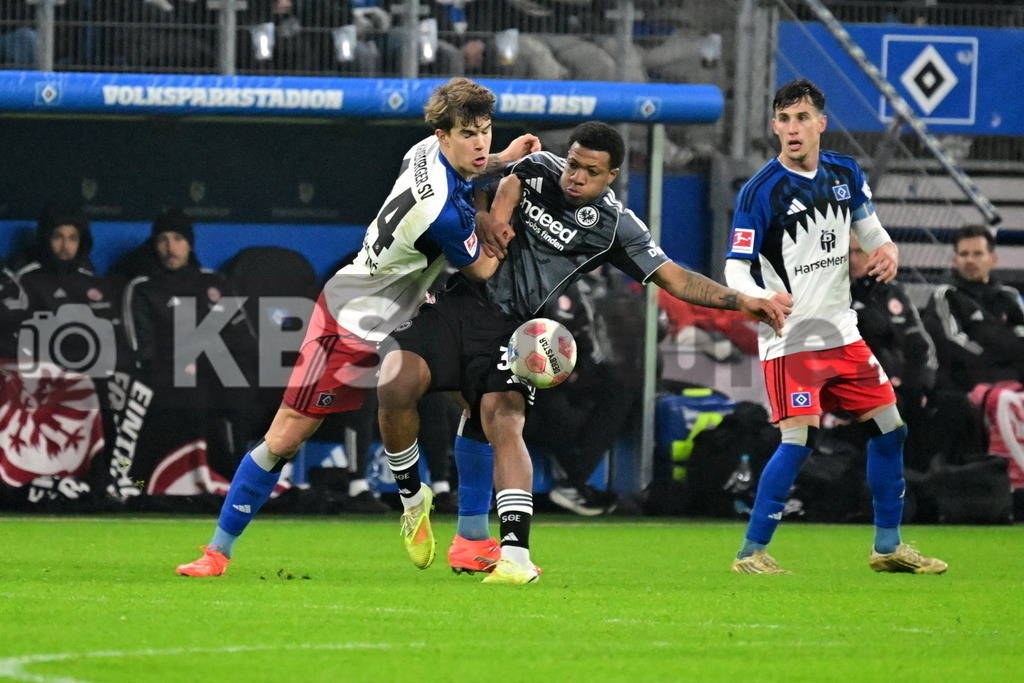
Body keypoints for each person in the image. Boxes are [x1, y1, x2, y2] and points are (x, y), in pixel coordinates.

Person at [377, 121, 786, 584]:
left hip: (514, 330)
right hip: (456, 304)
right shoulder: (536, 168)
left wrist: (742, 301)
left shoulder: (617, 228)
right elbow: (480, 179)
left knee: (500, 416)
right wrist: (491, 213)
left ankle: (511, 554)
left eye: (590, 171)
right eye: (573, 163)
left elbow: (677, 278)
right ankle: (413, 500)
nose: (575, 176)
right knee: (395, 383)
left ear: (611, 176)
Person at [175, 77, 541, 576]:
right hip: (351, 318)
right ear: (442, 135)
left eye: (486, 130)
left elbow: (472, 169)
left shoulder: (422, 152)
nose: (480, 142)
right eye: (468, 133)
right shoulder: (442, 217)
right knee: (285, 437)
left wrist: (502, 157)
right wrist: (504, 204)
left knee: (483, 400)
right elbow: (483, 268)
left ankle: (471, 539)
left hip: (411, 311)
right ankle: (218, 551)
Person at [724, 78, 945, 575]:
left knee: (891, 430)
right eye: (783, 119)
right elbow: (735, 265)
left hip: (842, 334)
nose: (792, 128)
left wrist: (886, 247)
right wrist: (759, 296)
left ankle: (888, 547)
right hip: (792, 336)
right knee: (799, 439)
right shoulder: (760, 191)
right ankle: (750, 553)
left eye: (802, 117)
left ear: (821, 123)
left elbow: (869, 229)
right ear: (774, 126)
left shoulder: (844, 171)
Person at [122, 208, 259, 498]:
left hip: (215, 378)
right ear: (154, 245)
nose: (170, 248)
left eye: (178, 239)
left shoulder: (215, 283)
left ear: (190, 243)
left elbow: (244, 341)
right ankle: (160, 482)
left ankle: (237, 478)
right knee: (192, 390)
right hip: (167, 381)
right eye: (163, 239)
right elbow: (141, 351)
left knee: (238, 387)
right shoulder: (143, 288)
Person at [849, 235, 938, 472]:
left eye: (859, 252)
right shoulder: (836, 296)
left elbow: (920, 344)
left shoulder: (894, 292)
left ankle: (936, 487)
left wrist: (919, 384)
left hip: (904, 384)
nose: (853, 259)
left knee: (950, 406)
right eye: (848, 253)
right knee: (893, 410)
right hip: (864, 389)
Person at [922, 225, 1024, 393]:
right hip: (965, 385)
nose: (969, 260)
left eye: (977, 254)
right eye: (964, 254)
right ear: (955, 260)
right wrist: (998, 364)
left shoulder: (1009, 296)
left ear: (993, 259)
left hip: (1012, 377)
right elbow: (952, 342)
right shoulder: (945, 295)